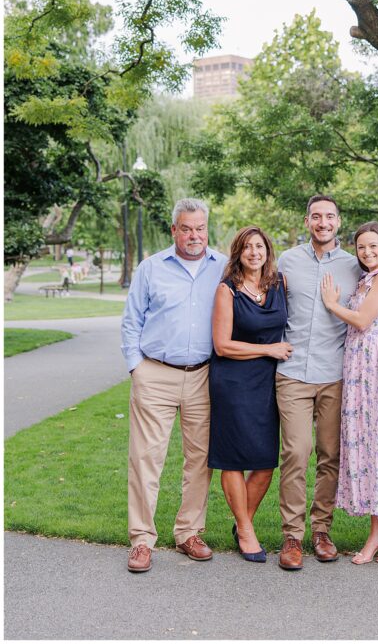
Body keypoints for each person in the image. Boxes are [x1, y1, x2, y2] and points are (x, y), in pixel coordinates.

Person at [275, 194, 378, 571]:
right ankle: (292, 537)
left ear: (338, 222)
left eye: (329, 216)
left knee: (331, 456)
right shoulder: (287, 261)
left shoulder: (355, 265)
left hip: (337, 375)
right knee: (296, 453)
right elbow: (268, 305)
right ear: (307, 220)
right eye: (316, 216)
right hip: (293, 373)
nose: (323, 222)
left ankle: (321, 531)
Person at [120, 198, 227, 573]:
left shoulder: (223, 267)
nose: (194, 235)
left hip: (204, 375)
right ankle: (141, 540)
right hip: (155, 374)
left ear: (206, 229)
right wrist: (137, 368)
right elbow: (131, 321)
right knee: (146, 458)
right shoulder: (151, 268)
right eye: (186, 228)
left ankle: (188, 532)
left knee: (199, 460)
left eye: (200, 228)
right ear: (174, 230)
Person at [321, 222, 378, 565]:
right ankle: (377, 531)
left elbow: (362, 320)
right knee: (368, 447)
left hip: (377, 368)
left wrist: (332, 304)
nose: (367, 252)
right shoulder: (367, 278)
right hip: (357, 368)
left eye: (374, 246)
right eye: (361, 247)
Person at [209, 226, 291, 563]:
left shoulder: (279, 285)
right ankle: (245, 529)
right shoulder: (227, 291)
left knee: (264, 461)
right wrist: (269, 349)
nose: (254, 252)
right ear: (238, 253)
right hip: (233, 382)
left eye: (259, 246)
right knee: (233, 458)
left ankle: (243, 522)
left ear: (267, 251)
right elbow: (222, 345)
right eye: (247, 247)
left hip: (268, 384)